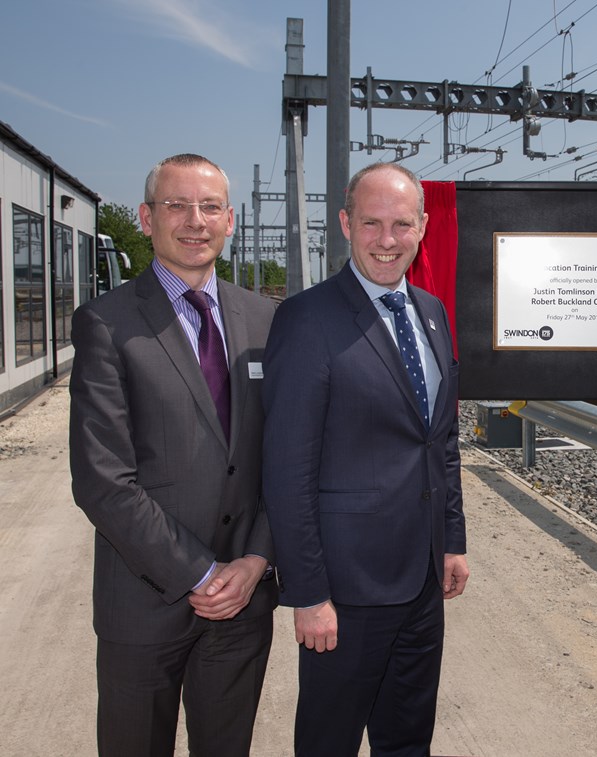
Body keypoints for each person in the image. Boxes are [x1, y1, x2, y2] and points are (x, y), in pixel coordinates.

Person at [69, 154, 277, 756]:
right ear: (146, 216)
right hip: (144, 601)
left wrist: (256, 560)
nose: (194, 220)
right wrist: (201, 572)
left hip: (243, 599)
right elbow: (103, 480)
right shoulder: (106, 324)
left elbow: (285, 461)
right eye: (176, 205)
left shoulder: (267, 320)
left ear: (230, 219)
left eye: (209, 206)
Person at [262, 162, 468, 756]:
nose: (387, 239)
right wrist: (308, 593)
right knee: (329, 741)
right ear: (347, 224)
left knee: (407, 739)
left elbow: (442, 440)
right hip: (346, 591)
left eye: (401, 224)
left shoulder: (431, 312)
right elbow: (287, 470)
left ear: (422, 227)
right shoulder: (307, 319)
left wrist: (451, 539)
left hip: (423, 580)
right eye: (372, 222)